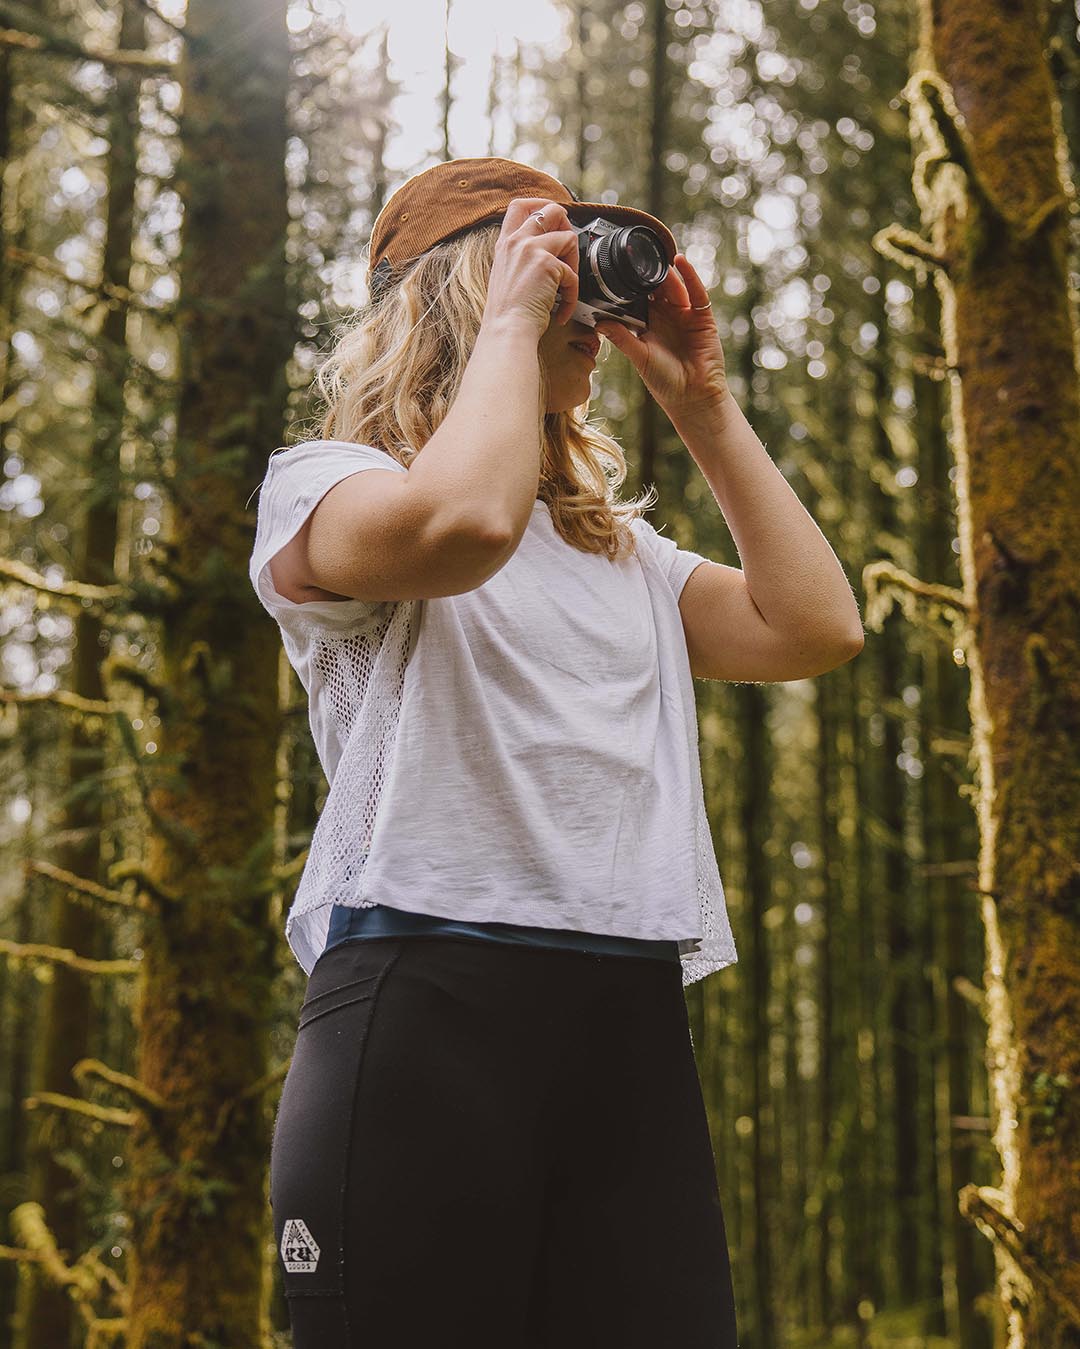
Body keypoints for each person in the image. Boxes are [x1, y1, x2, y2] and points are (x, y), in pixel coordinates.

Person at [248, 156, 863, 1348]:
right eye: (553, 263)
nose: (590, 303)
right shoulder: (329, 489)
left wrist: (704, 407)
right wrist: (516, 318)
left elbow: (815, 625)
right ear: (462, 294)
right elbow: (463, 524)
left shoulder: (619, 554)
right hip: (421, 1001)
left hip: (624, 1015)